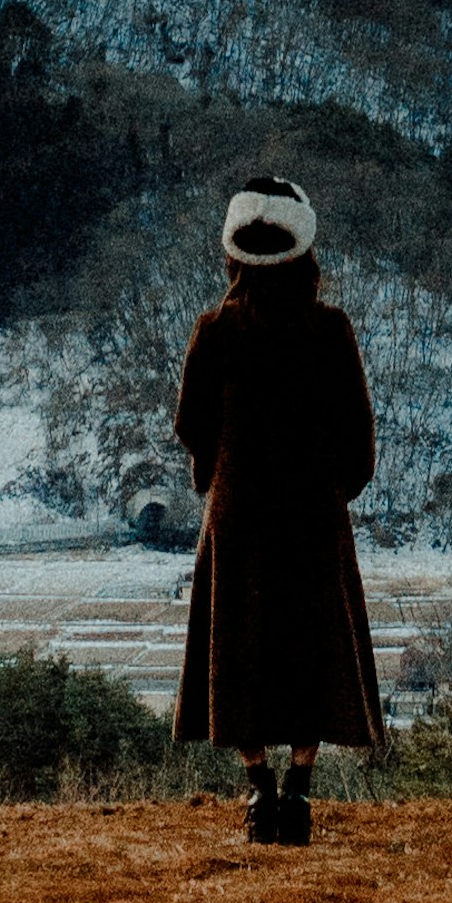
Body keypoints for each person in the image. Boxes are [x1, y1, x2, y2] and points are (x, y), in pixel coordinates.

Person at [170, 171, 383, 844]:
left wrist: (217, 475)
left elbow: (189, 425)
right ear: (304, 251)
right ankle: (298, 789)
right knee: (310, 649)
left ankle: (259, 790)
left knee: (239, 652)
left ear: (235, 255)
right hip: (314, 513)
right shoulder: (329, 329)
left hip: (238, 517)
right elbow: (359, 433)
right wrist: (333, 488)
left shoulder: (215, 330)